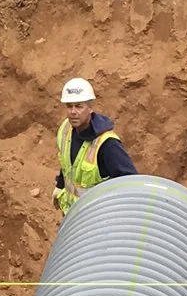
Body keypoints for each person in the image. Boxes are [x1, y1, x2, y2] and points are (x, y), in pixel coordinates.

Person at [54, 77, 138, 213]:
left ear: (90, 108)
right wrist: (60, 184)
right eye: (69, 106)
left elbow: (130, 182)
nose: (73, 112)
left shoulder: (107, 144)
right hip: (71, 215)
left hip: (95, 218)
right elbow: (67, 164)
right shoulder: (66, 130)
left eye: (79, 106)